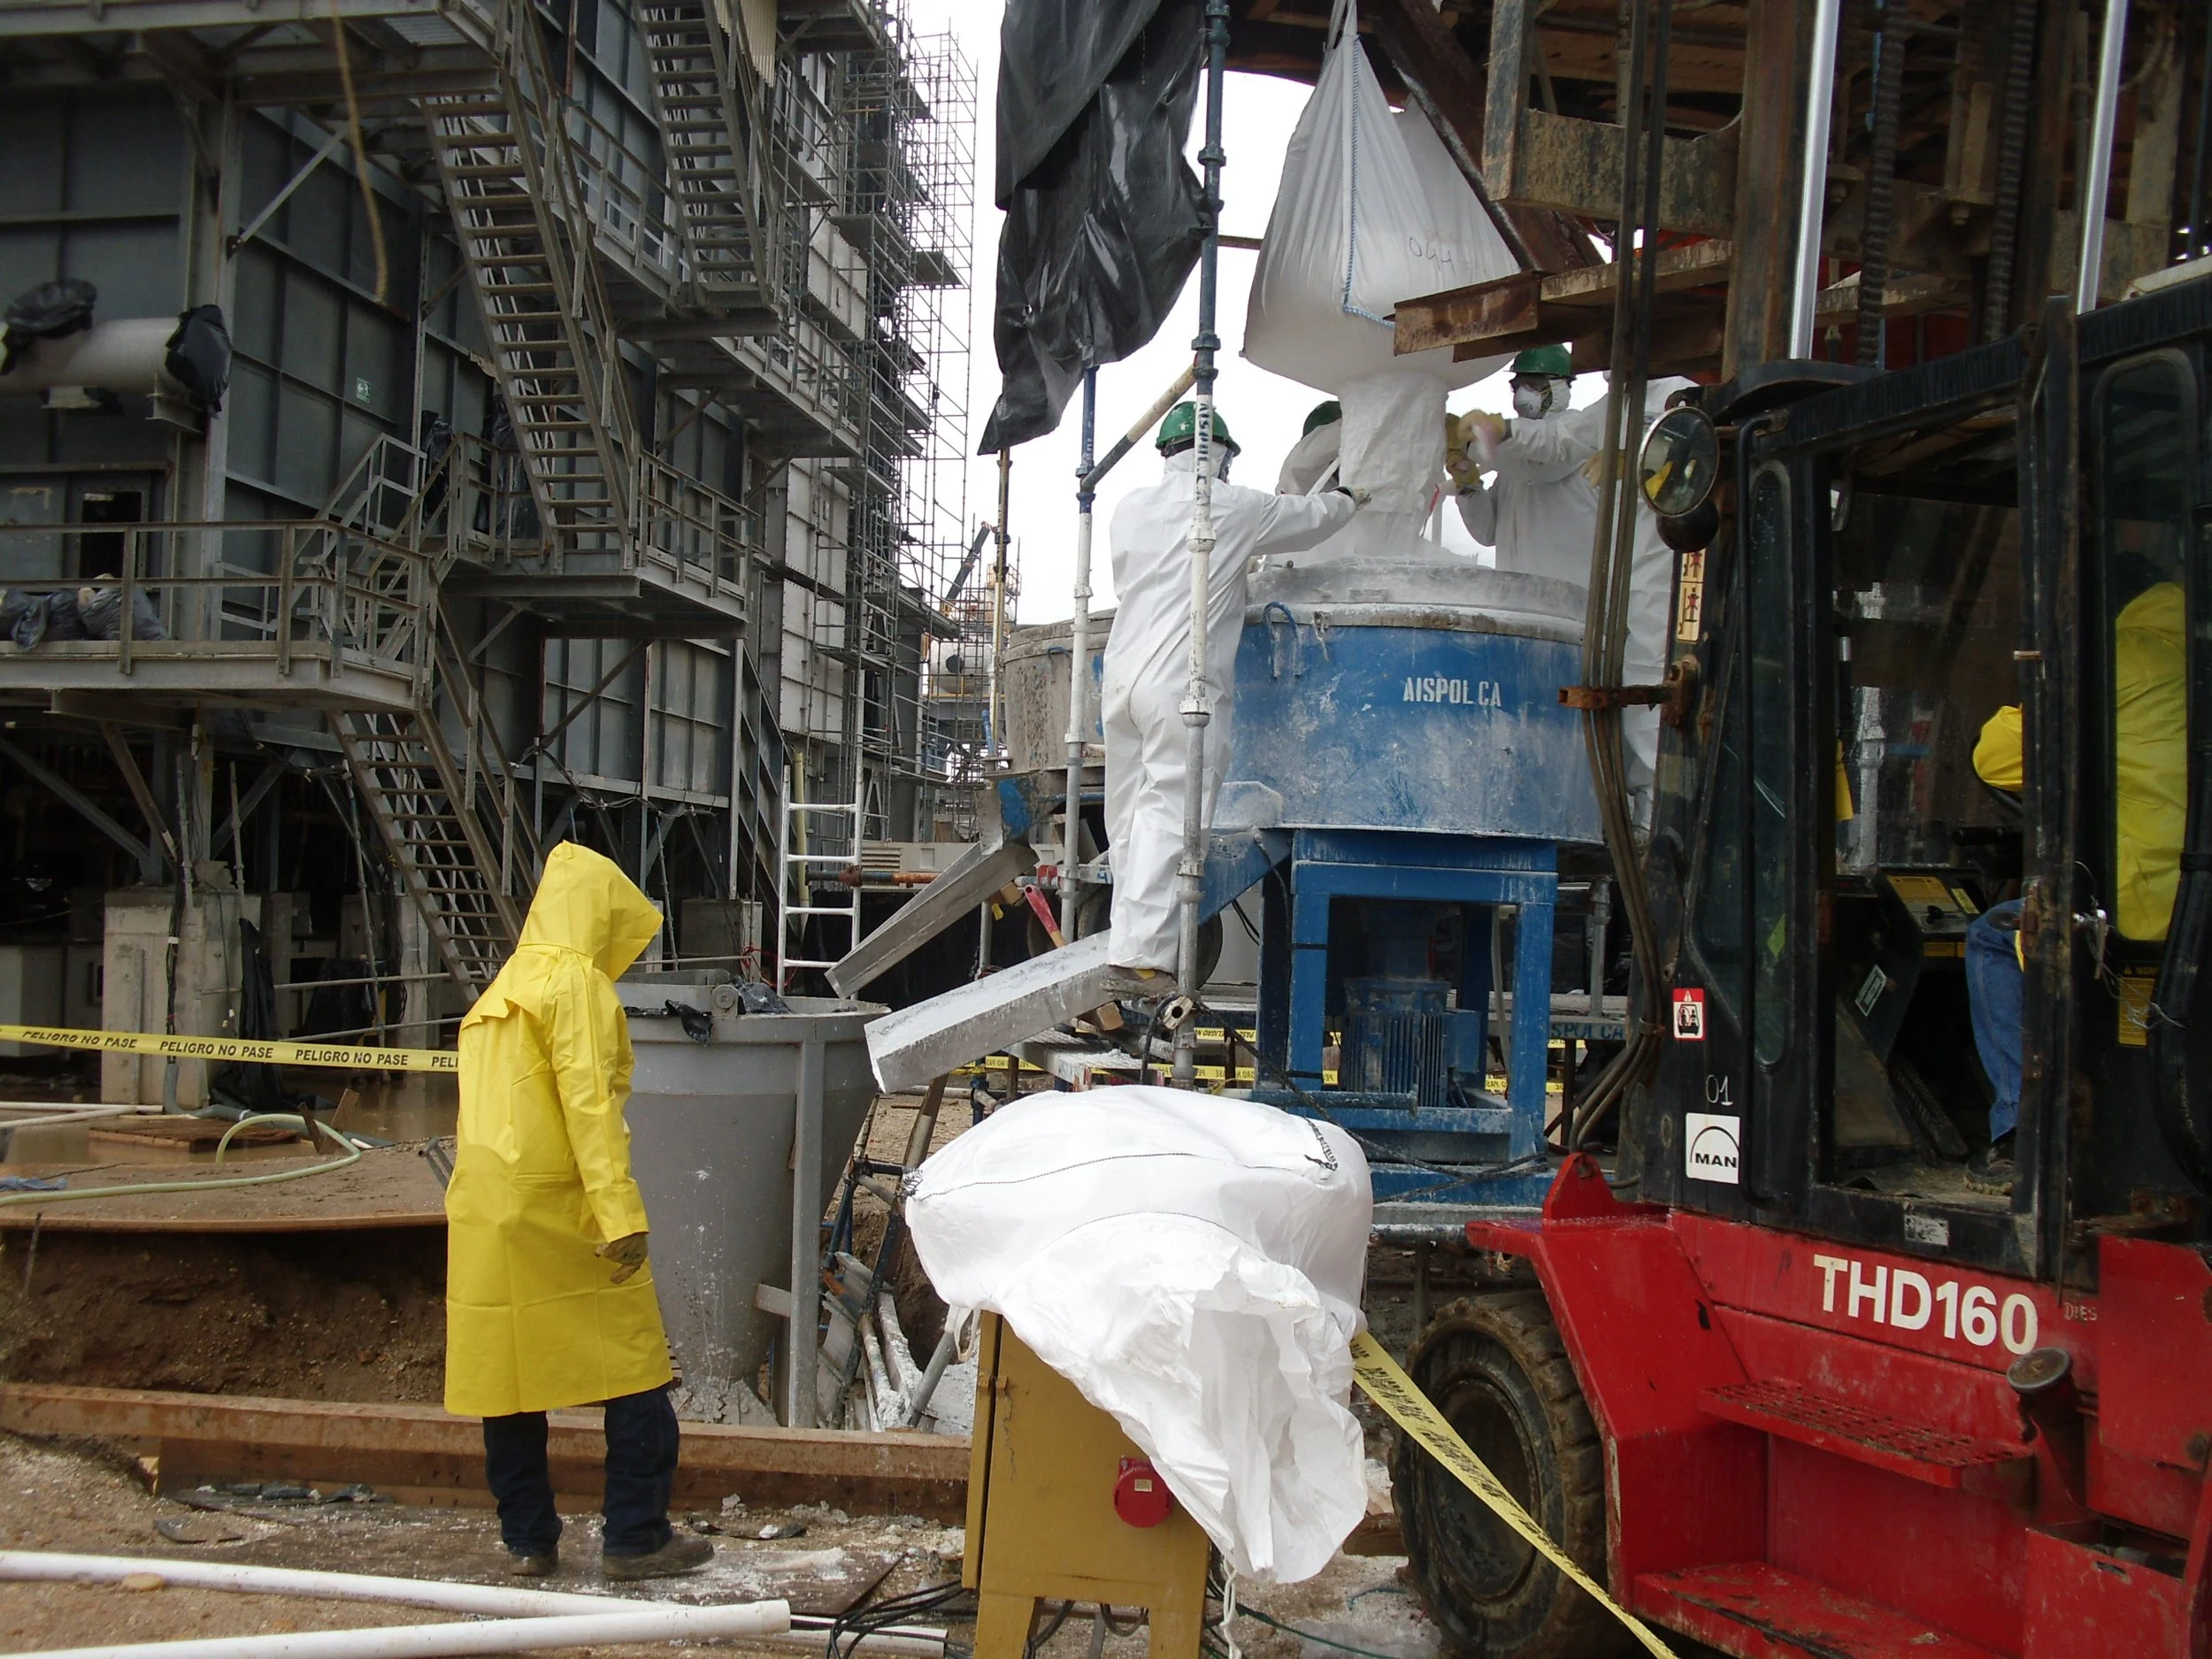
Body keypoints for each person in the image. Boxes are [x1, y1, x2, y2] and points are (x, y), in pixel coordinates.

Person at [444, 841, 711, 1582]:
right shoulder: (575, 984)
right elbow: (590, 1107)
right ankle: (636, 1534)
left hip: (486, 1206)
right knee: (636, 1367)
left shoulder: (504, 985)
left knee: (510, 1373)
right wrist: (620, 1212)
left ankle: (528, 1538)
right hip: (560, 1204)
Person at [1103, 402, 1359, 975]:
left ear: (1166, 453)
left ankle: (1126, 932)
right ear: (1220, 457)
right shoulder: (1235, 507)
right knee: (1173, 807)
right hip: (1179, 681)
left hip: (1121, 675)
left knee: (1128, 814)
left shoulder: (1129, 508)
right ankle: (1140, 952)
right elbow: (1313, 516)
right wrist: (1349, 498)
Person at [1964, 579, 2185, 1192]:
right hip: (2195, 908)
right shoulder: (2192, 651)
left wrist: (2053, 673)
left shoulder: (2114, 659)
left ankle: (2020, 1131)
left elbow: (1993, 757)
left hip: (2134, 902)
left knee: (1991, 936)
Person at [1452, 357, 1693, 824]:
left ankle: (1647, 823)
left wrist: (1648, 459)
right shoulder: (1600, 416)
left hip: (1589, 614)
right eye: (1520, 383)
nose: (1524, 392)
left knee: (1626, 711)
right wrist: (1469, 480)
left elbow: (1697, 449)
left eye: (1535, 383)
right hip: (1525, 615)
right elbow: (1488, 530)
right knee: (1538, 731)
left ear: (1562, 387)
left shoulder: (1671, 393)